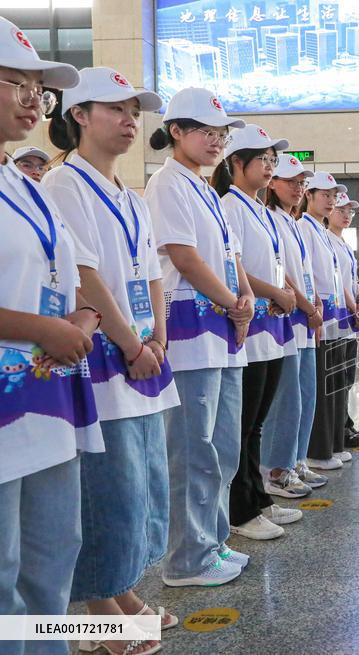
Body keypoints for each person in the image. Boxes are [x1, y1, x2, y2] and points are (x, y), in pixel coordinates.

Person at [43, 66, 180, 655]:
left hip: (143, 355)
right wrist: (130, 343)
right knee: (106, 483)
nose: (129, 121)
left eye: (134, 111)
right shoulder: (63, 186)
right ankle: (99, 614)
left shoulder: (131, 193)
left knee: (142, 479)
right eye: (115, 109)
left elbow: (150, 271)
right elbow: (83, 275)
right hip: (103, 356)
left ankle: (120, 588)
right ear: (79, 115)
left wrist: (159, 339)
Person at [0, 18, 102, 655]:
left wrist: (83, 321)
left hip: (51, 393)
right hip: (9, 402)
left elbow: (69, 277)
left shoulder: (24, 183)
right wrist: (40, 328)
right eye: (20, 85)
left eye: (41, 90)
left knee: (53, 550)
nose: (35, 102)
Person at [145, 87, 254, 587]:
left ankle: (213, 541)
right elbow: (184, 257)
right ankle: (187, 559)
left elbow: (230, 258)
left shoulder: (207, 188)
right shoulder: (166, 183)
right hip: (193, 332)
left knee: (222, 448)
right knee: (192, 450)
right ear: (176, 133)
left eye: (221, 134)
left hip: (226, 333)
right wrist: (235, 303)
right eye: (206, 132)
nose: (216, 141)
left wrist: (246, 295)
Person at [212, 124, 303, 540]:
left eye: (271, 160)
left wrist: (286, 294)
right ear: (236, 163)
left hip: (272, 326)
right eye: (261, 160)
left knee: (258, 421)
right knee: (244, 423)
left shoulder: (261, 210)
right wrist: (276, 293)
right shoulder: (230, 205)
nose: (269, 167)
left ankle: (259, 498)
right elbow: (235, 268)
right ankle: (240, 508)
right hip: (251, 327)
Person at [261, 154, 328, 492]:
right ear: (273, 183)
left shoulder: (291, 221)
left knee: (305, 395)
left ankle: (297, 460)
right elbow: (282, 272)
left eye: (302, 183)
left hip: (304, 319)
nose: (298, 188)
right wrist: (307, 306)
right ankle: (276, 468)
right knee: (287, 398)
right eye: (291, 181)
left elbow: (305, 272)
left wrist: (314, 305)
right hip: (288, 317)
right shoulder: (271, 218)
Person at [300, 172, 352, 471]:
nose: (331, 201)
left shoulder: (320, 230)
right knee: (321, 386)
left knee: (333, 384)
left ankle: (332, 444)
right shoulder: (305, 228)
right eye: (326, 195)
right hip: (318, 319)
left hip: (334, 317)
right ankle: (317, 451)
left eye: (334, 196)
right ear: (310, 196)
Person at [329, 191, 359, 449]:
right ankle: (340, 427)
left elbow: (351, 279)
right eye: (341, 210)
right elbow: (336, 280)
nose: (346, 215)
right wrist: (353, 304)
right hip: (338, 317)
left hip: (350, 319)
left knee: (348, 377)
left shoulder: (344, 243)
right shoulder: (327, 240)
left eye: (350, 212)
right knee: (338, 377)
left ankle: (345, 423)